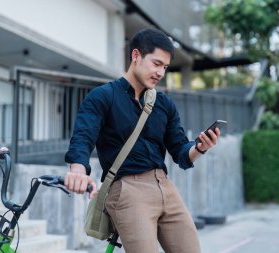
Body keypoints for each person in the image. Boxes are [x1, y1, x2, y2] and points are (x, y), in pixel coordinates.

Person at [64, 28, 220, 253]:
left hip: (165, 186)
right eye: (156, 64)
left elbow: (180, 152)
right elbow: (82, 137)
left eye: (165, 67)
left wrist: (200, 147)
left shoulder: (164, 104)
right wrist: (78, 170)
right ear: (135, 56)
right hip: (127, 189)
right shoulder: (103, 96)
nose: (160, 72)